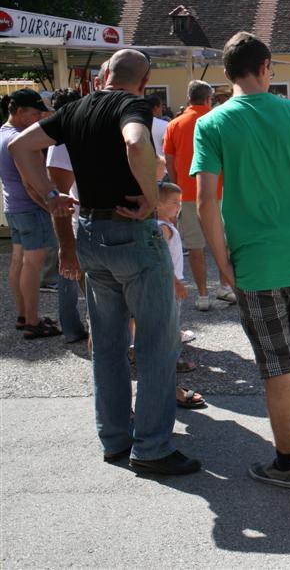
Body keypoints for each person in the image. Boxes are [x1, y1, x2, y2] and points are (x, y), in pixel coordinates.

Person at [10, 48, 200, 475]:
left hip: (90, 232)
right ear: (144, 82)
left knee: (109, 345)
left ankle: (114, 439)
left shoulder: (75, 109)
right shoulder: (132, 105)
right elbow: (135, 142)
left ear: (103, 75)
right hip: (131, 234)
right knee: (155, 345)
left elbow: (22, 146)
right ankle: (151, 448)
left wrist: (49, 196)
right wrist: (151, 200)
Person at [191, 31, 290, 488]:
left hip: (255, 264)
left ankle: (286, 462)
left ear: (226, 73)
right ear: (266, 66)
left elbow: (205, 203)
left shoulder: (211, 124)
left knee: (276, 364)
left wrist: (222, 264)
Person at [163, 79, 236, 312]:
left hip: (186, 193)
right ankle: (225, 286)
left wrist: (176, 191)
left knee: (195, 247)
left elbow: (170, 162)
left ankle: (203, 295)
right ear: (208, 98)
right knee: (224, 243)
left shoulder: (174, 124)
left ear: (188, 98)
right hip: (219, 192)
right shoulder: (221, 120)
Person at [1, 89, 61, 339]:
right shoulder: (24, 141)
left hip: (13, 207)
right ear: (20, 111)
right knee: (32, 266)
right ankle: (33, 321)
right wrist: (51, 207)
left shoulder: (3, 134)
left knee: (19, 262)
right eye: (35, 113)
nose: (39, 118)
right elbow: (31, 182)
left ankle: (24, 315)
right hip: (30, 209)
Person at [154, 181, 205, 410]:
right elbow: (161, 257)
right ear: (158, 204)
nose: (179, 206)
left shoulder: (163, 225)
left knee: (167, 334)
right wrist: (176, 282)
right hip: (167, 288)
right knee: (167, 336)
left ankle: (167, 386)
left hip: (166, 287)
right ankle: (168, 388)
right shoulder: (161, 228)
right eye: (174, 202)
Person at [45, 89, 89, 344]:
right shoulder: (62, 140)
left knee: (72, 279)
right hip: (77, 225)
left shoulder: (61, 139)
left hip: (79, 222)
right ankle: (74, 330)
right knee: (73, 278)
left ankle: (74, 329)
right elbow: (56, 192)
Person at [144, 94, 169, 179]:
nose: (162, 109)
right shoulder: (165, 125)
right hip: (163, 171)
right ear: (156, 107)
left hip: (144, 171)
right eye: (161, 106)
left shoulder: (138, 125)